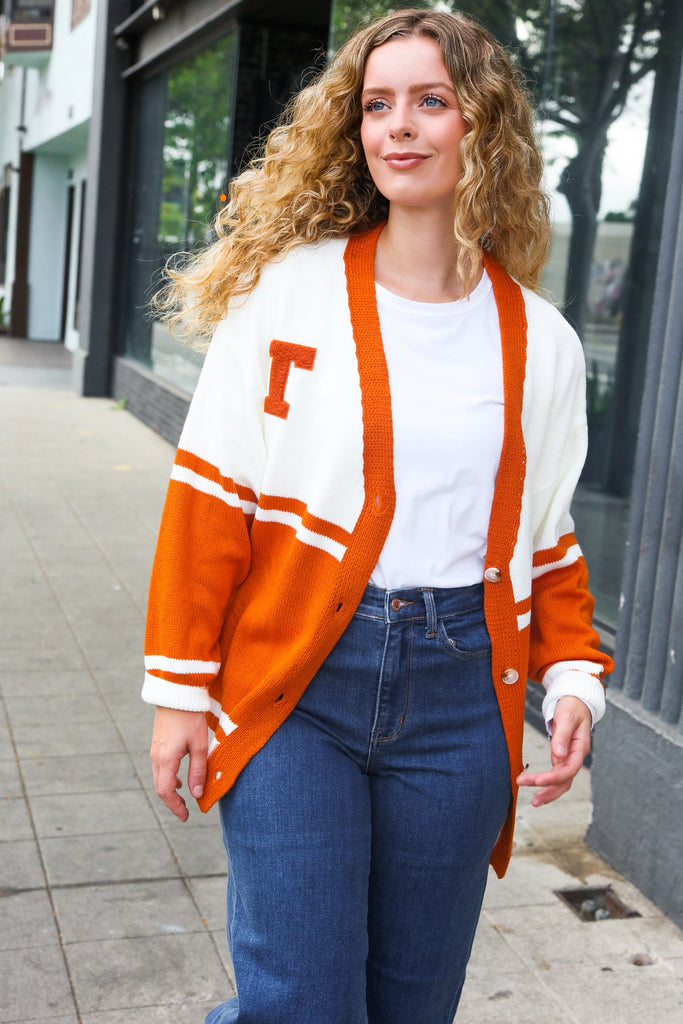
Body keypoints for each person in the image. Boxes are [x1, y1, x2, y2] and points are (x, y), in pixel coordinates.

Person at [144, 9, 613, 1023]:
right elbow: (209, 504)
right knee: (302, 1003)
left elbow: (548, 539)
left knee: (410, 1006)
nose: (397, 127)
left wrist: (570, 676)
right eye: (376, 105)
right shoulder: (288, 298)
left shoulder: (543, 343)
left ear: (480, 126)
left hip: (457, 705)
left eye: (429, 101)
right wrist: (180, 691)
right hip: (296, 684)